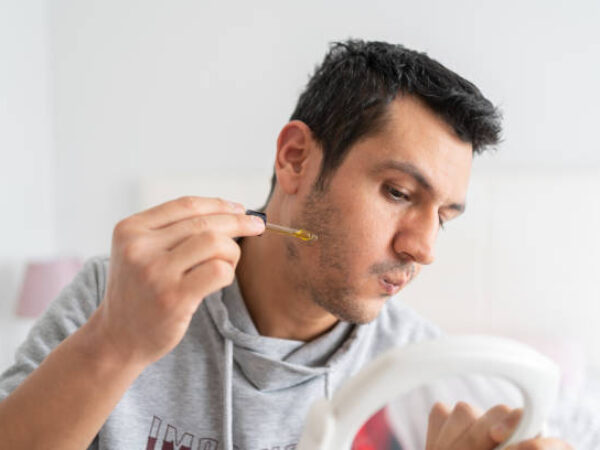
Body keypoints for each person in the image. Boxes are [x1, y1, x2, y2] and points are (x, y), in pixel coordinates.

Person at [0, 40, 572, 450]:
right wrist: (114, 344)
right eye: (398, 192)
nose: (424, 248)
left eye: (444, 217)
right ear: (296, 158)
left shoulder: (428, 373)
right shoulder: (117, 296)